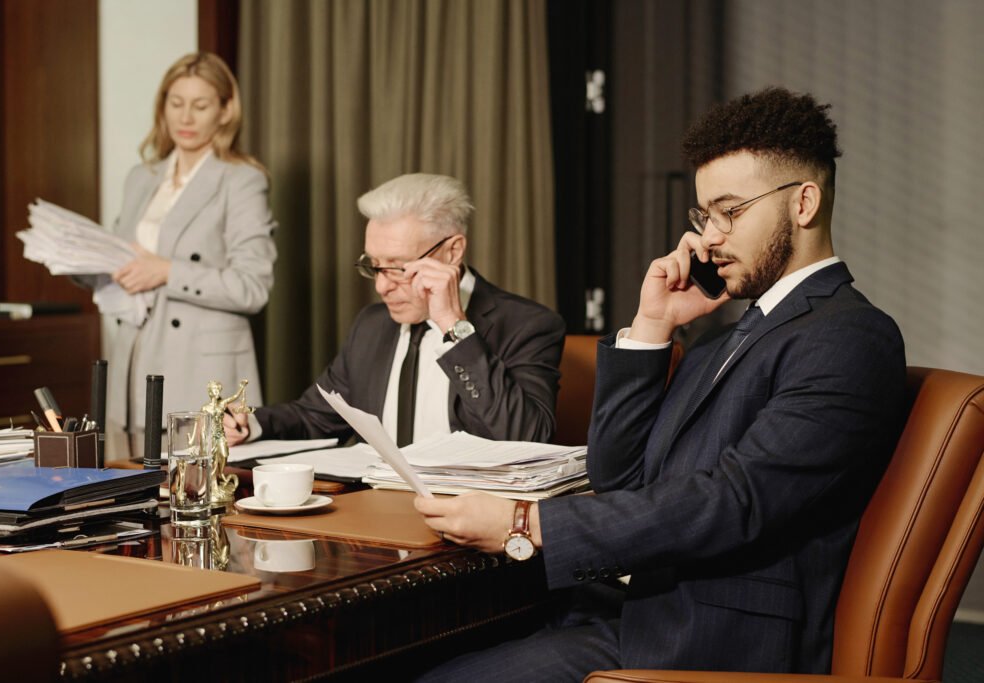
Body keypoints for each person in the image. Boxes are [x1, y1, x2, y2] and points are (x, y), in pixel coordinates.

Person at [413, 88, 907, 679]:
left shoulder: (850, 336)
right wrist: (652, 327)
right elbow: (618, 475)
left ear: (803, 203)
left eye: (731, 211)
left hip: (711, 645)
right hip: (633, 611)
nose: (711, 237)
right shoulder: (732, 335)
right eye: (705, 216)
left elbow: (736, 501)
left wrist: (528, 524)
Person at [225, 173, 565, 447]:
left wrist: (454, 326)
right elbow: (315, 415)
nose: (381, 286)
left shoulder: (527, 325)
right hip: (375, 517)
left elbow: (527, 438)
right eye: (374, 266)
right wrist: (249, 423)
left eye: (398, 267)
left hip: (470, 518)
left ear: (452, 252)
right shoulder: (372, 325)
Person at [107, 52, 276, 431]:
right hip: (134, 357)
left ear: (225, 110)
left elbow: (252, 287)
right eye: (176, 103)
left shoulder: (242, 180)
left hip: (199, 365)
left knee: (197, 483)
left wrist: (167, 272)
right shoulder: (142, 176)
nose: (185, 118)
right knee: (131, 478)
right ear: (162, 106)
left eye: (200, 106)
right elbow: (125, 264)